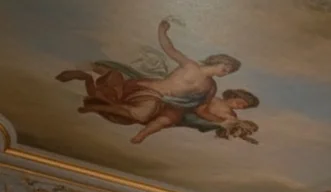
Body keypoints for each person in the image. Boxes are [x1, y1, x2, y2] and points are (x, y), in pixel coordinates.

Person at [56, 19, 246, 144]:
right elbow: (169, 49)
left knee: (154, 117)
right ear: (219, 61)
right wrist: (162, 30)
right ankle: (91, 83)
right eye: (226, 68)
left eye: (228, 72)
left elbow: (202, 109)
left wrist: (220, 122)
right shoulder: (190, 65)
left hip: (166, 105)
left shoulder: (210, 87)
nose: (225, 72)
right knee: (139, 109)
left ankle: (107, 112)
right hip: (150, 90)